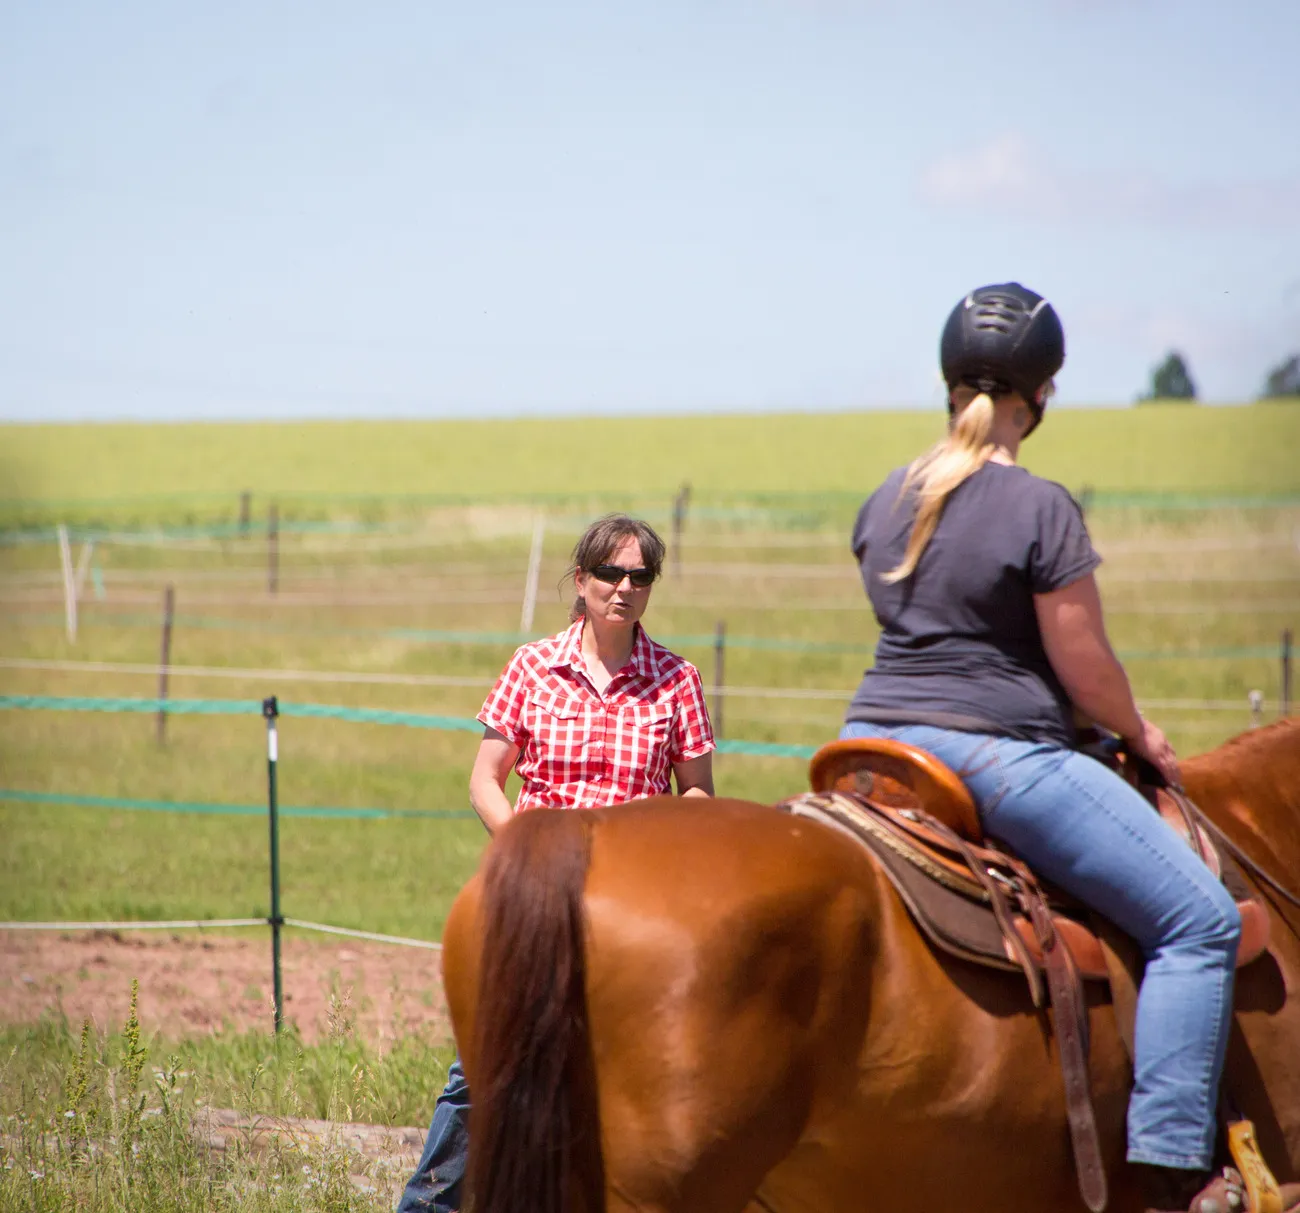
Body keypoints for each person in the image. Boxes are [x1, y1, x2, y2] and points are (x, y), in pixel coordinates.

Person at [839, 284, 1242, 1213]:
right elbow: (1085, 666)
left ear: (950, 386)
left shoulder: (883, 499)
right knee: (1201, 922)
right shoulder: (1038, 506)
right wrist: (1138, 732)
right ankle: (1173, 1167)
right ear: (1043, 395)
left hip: (865, 744)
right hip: (994, 753)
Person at [396, 512, 716, 1213]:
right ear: (581, 578)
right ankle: (429, 1207)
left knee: (631, 1071)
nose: (625, 587)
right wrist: (522, 854)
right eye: (610, 572)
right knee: (486, 1068)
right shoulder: (532, 666)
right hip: (538, 892)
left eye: (641, 575)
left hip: (635, 902)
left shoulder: (678, 679)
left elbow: (695, 790)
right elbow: (485, 779)